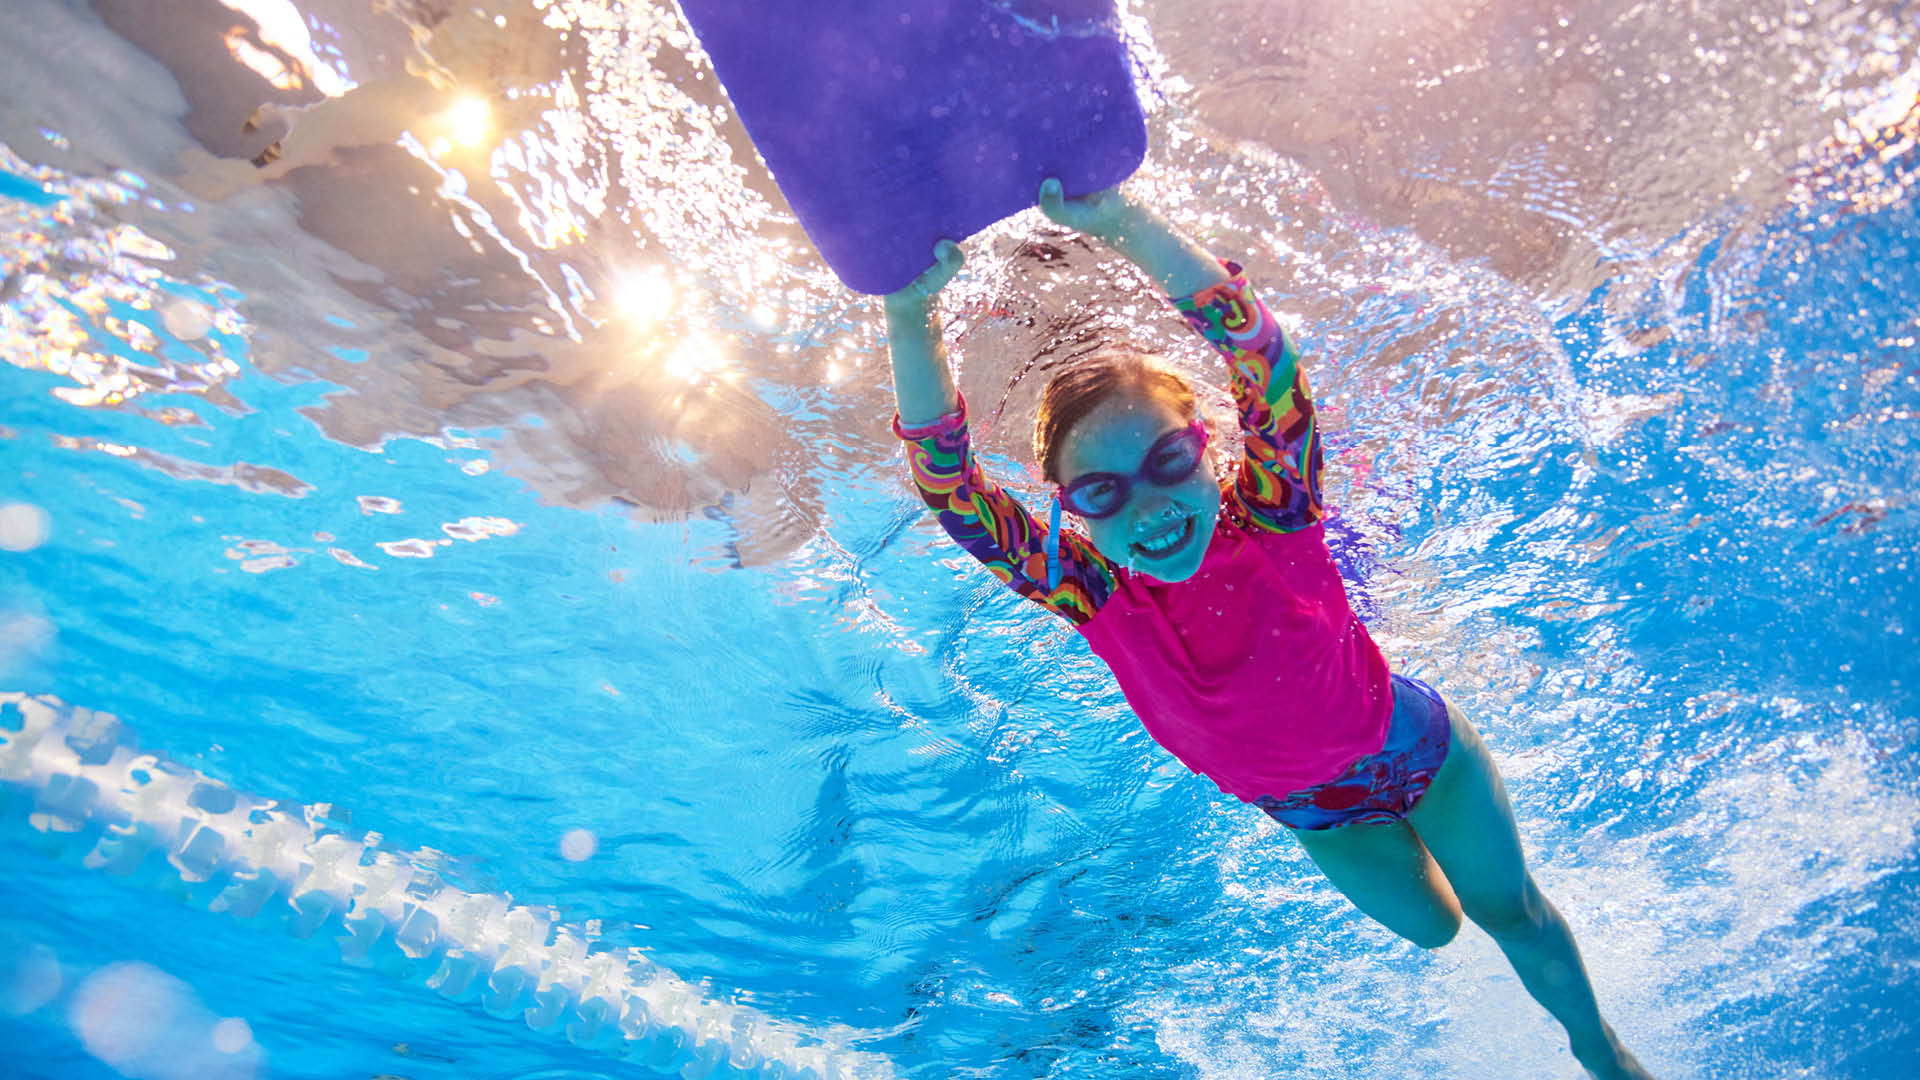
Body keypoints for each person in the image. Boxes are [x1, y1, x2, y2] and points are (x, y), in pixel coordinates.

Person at [881, 178, 1654, 1080]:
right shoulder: (1093, 594)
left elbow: (1263, 359)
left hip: (1420, 751)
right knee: (1438, 931)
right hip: (1321, 817)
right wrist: (909, 320)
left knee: (1510, 914)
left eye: (1169, 460)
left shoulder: (1277, 516)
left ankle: (1603, 1054)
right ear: (1074, 513)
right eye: (1103, 491)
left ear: (1207, 450)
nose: (1151, 504)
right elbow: (955, 494)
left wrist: (1125, 224)